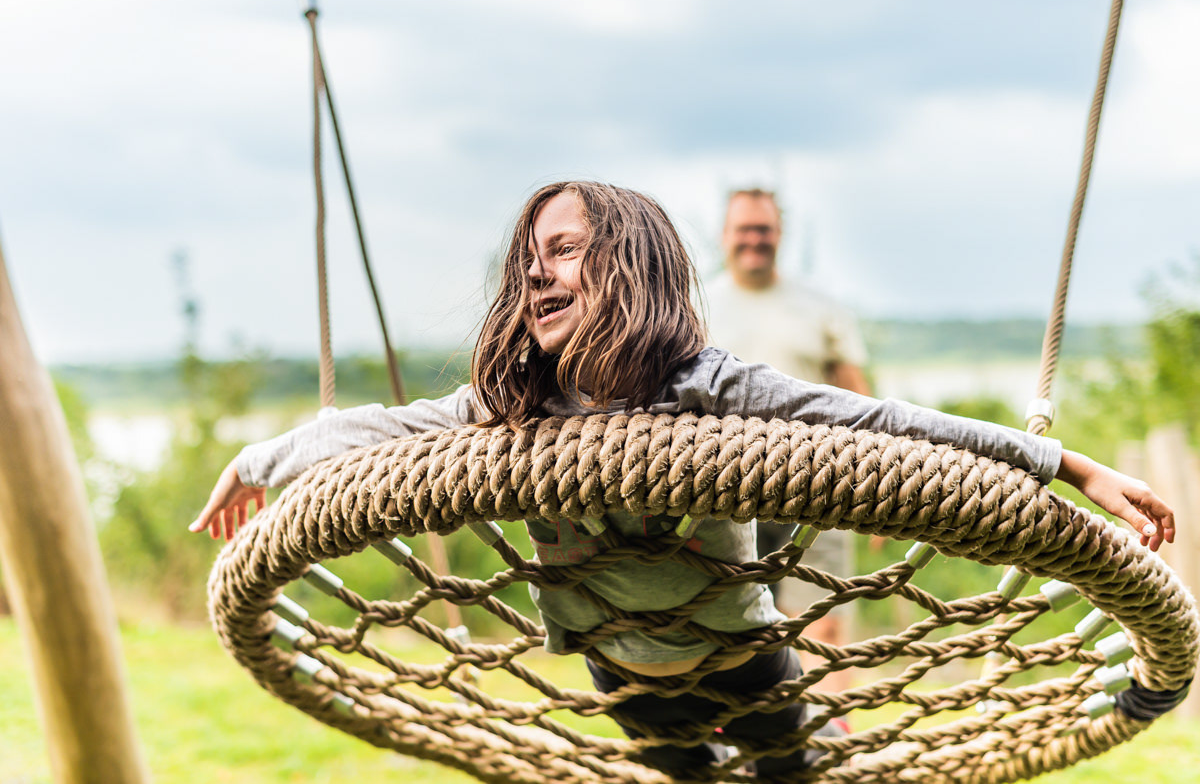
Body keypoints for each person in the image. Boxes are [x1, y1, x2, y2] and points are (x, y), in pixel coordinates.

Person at [190, 181, 1173, 779]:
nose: (536, 273)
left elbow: (878, 422)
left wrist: (1067, 463)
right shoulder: (512, 406)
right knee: (681, 770)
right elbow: (376, 428)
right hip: (615, 665)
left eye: (564, 250)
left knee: (787, 765)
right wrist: (258, 459)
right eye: (527, 259)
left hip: (742, 646)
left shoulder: (708, 384)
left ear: (629, 266)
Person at [707, 188, 869, 691]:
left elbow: (856, 397)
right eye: (744, 229)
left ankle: (825, 730)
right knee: (724, 626)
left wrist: (878, 484)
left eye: (764, 229)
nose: (754, 240)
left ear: (779, 235)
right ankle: (736, 728)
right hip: (724, 491)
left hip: (820, 486)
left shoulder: (821, 308)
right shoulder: (697, 306)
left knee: (823, 622)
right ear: (724, 235)